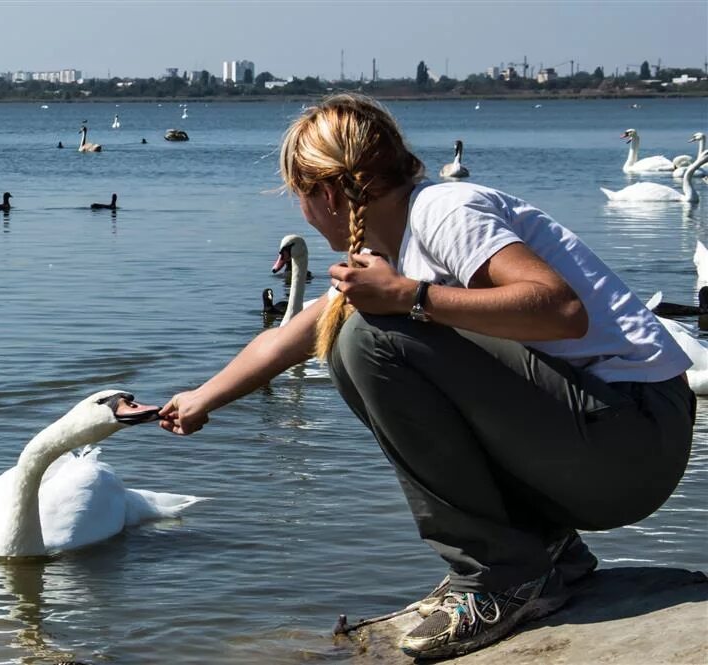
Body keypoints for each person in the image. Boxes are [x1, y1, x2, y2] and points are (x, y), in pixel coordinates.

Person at [158, 94, 694, 660]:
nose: (302, 212)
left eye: (299, 195)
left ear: (329, 193)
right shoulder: (396, 245)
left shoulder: (443, 211)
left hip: (632, 438)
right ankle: (547, 556)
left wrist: (412, 298)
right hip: (613, 445)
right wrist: (202, 398)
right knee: (350, 334)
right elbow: (290, 337)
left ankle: (499, 575)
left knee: (366, 339)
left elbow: (559, 309)